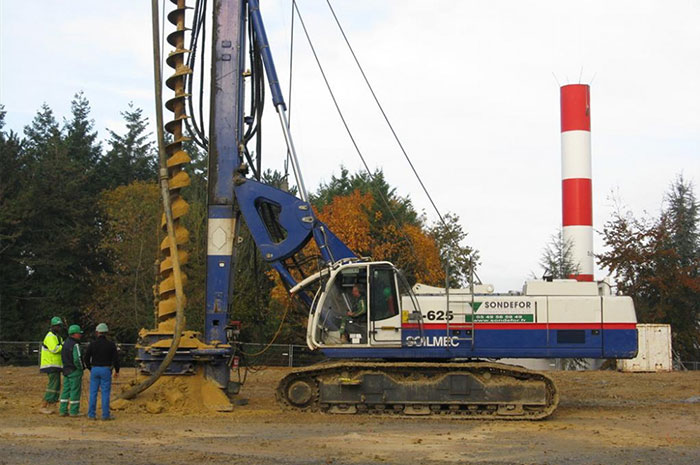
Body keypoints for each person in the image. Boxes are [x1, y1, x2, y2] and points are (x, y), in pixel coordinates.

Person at [85, 323, 120, 421]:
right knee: (105, 393)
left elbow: (86, 358)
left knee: (93, 392)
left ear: (97, 332)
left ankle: (91, 414)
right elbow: (116, 359)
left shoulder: (92, 344)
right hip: (106, 369)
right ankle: (105, 415)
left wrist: (90, 368)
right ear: (106, 333)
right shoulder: (111, 345)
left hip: (95, 369)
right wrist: (117, 370)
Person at [39, 316, 64, 414]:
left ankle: (52, 404)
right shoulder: (50, 337)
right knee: (52, 385)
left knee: (57, 385)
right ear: (52, 326)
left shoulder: (58, 337)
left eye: (59, 326)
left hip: (56, 365)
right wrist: (64, 346)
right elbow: (54, 349)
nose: (58, 328)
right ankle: (44, 405)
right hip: (50, 365)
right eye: (57, 326)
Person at [59, 325, 84, 417]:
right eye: (79, 333)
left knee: (65, 390)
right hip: (74, 371)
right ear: (75, 334)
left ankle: (62, 410)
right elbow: (77, 359)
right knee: (75, 391)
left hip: (66, 370)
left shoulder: (65, 343)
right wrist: (81, 367)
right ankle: (74, 411)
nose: (80, 335)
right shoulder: (75, 345)